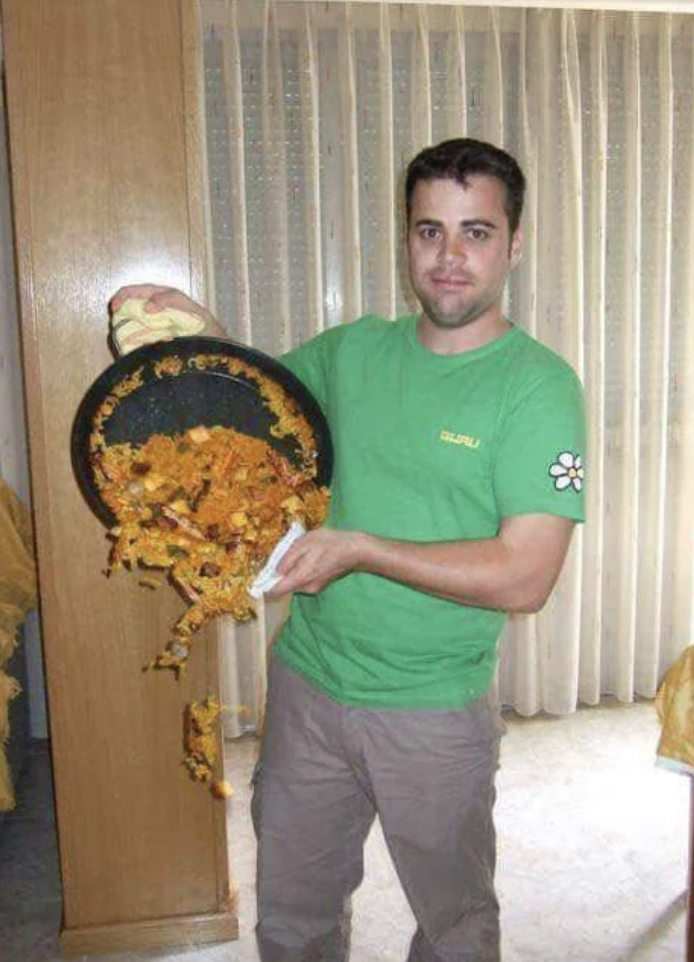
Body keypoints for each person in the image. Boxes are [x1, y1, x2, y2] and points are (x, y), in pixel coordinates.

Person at [111, 137, 586, 962]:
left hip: (434, 710)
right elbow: (251, 409)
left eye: (476, 232)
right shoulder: (353, 350)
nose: (448, 257)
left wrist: (361, 548)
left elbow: (528, 573)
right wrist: (188, 328)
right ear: (405, 238)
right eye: (428, 230)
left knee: (456, 928)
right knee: (293, 920)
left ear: (515, 244)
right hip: (309, 690)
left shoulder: (538, 387)